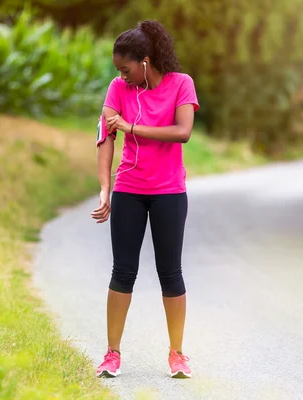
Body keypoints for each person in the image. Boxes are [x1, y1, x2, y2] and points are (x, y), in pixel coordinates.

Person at [90, 19, 199, 379]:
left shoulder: (181, 84)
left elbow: (182, 132)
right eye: (118, 71)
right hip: (129, 190)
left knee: (171, 272)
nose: (122, 77)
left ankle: (178, 354)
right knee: (122, 271)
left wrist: (133, 127)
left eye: (126, 69)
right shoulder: (117, 90)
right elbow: (105, 138)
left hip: (169, 192)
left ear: (146, 61)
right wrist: (105, 188)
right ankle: (112, 353)